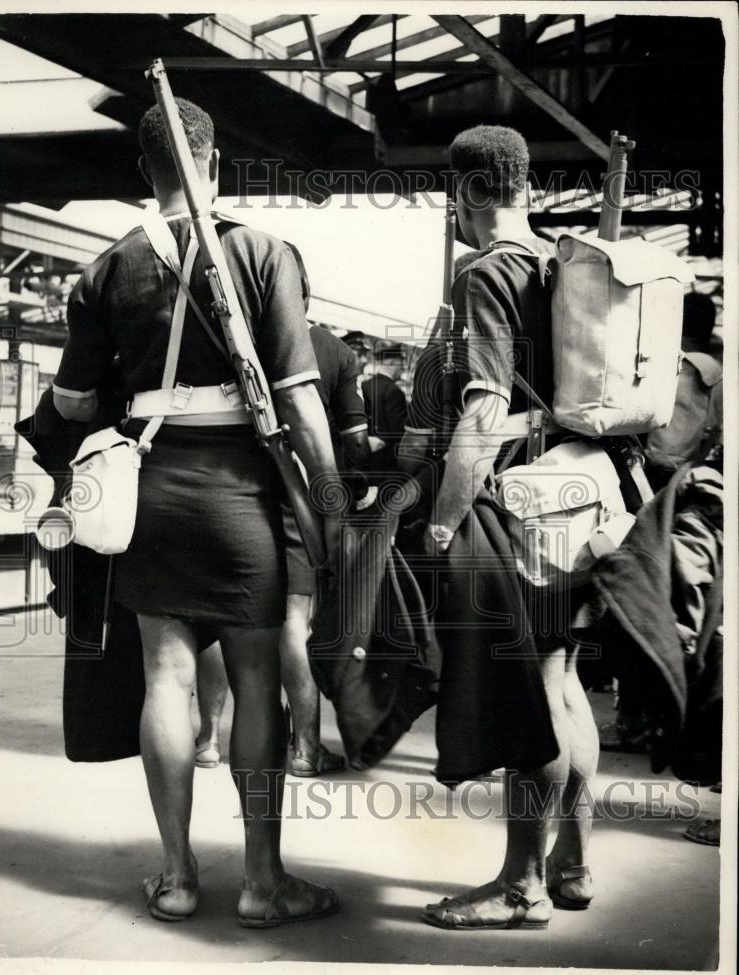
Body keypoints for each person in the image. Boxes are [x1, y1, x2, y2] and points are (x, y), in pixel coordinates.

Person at [52, 97, 340, 927]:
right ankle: (263, 883)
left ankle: (176, 879)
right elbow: (301, 405)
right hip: (242, 496)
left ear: (145, 170)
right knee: (257, 686)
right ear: (214, 161)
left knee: (167, 681)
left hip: (152, 495)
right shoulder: (261, 252)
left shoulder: (109, 266)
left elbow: (72, 403)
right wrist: (331, 513)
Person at [410, 125, 598, 929]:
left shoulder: (485, 273)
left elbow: (482, 412)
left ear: (471, 191)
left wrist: (444, 523)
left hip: (523, 505)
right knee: (563, 680)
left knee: (532, 694)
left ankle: (520, 885)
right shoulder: (558, 267)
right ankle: (573, 862)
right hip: (583, 496)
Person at [195, 244, 373, 778]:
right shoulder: (336, 352)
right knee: (296, 618)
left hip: (227, 490)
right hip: (300, 495)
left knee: (217, 617)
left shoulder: (225, 339)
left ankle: (207, 739)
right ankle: (305, 748)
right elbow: (355, 443)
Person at [644, 290, 723, 492]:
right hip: (684, 471)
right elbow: (715, 428)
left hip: (644, 461)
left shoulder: (656, 361)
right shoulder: (715, 374)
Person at [362, 341, 408, 476]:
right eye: (401, 363)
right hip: (385, 464)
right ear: (393, 363)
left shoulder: (364, 386)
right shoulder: (394, 391)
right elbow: (399, 433)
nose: (403, 367)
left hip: (363, 459)